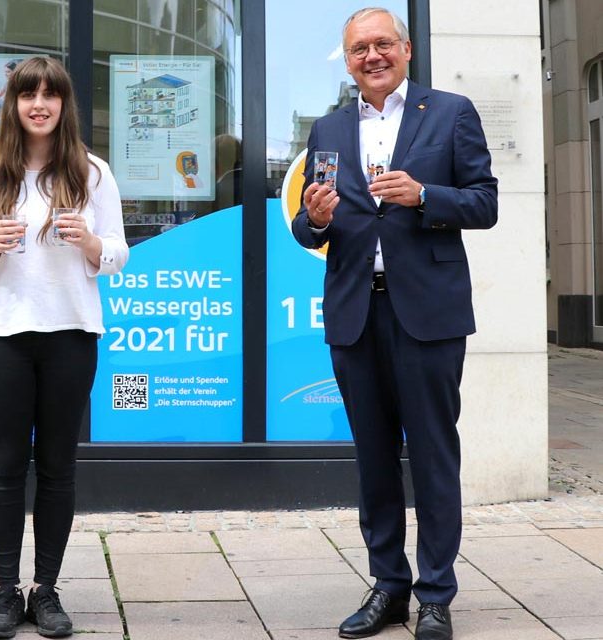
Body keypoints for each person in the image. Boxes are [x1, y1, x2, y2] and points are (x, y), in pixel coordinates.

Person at [292, 8, 497, 640]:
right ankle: (389, 587)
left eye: (383, 44)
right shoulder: (326, 126)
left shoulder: (450, 112)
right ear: (347, 60)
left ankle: (436, 594)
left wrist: (426, 197)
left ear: (406, 50)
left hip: (427, 313)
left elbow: (485, 202)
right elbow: (306, 227)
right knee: (374, 458)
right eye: (359, 48)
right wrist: (317, 218)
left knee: (433, 454)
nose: (372, 55)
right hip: (356, 310)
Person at [0, 56, 128, 639]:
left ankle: (47, 590)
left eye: (50, 95)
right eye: (29, 94)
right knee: (5, 465)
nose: (39, 104)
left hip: (72, 332)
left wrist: (89, 240)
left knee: (58, 467)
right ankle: (5, 592)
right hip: (3, 334)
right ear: (14, 105)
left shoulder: (93, 172)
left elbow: (117, 255)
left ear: (64, 105)